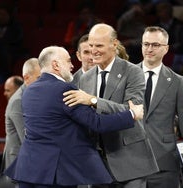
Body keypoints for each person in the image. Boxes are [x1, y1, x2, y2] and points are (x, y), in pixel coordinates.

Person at [4, 46, 145, 188]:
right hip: (55, 173)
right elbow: (96, 123)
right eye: (68, 61)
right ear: (56, 64)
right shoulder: (64, 89)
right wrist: (132, 114)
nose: (72, 65)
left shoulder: (29, 91)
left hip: (28, 168)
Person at [63, 23, 159, 188]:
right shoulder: (85, 79)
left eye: (99, 45)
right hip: (98, 163)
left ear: (114, 44)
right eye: (91, 45)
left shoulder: (133, 72)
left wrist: (93, 101)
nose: (94, 50)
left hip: (131, 161)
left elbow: (133, 111)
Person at [139, 26, 183, 188]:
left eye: (155, 45)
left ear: (166, 49)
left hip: (165, 165)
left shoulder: (176, 82)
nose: (149, 49)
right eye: (146, 44)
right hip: (130, 164)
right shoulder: (127, 77)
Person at [2, 58, 41, 170]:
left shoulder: (32, 96)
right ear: (27, 78)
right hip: (18, 161)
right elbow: (26, 137)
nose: (43, 82)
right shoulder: (18, 101)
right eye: (39, 78)